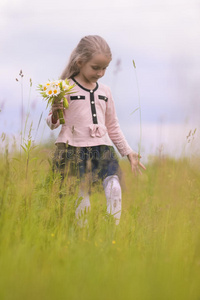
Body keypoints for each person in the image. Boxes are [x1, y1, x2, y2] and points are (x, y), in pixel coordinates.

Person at [46, 35, 146, 225]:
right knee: (82, 199)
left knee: (115, 188)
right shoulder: (65, 88)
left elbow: (113, 125)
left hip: (102, 149)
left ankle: (112, 237)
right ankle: (81, 240)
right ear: (80, 62)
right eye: (95, 67)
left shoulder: (105, 91)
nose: (100, 73)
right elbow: (53, 124)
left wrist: (128, 152)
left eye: (104, 68)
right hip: (72, 149)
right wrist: (55, 111)